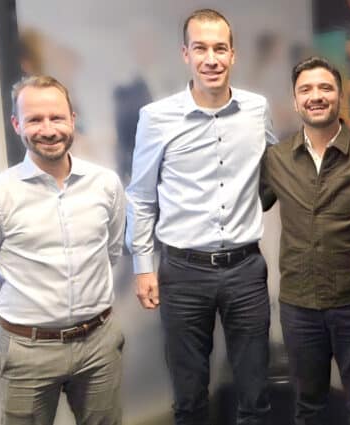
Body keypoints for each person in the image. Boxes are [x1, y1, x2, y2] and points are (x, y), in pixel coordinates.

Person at [125, 9, 276, 425]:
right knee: (189, 396)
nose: (211, 59)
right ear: (185, 54)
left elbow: (276, 168)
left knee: (255, 392)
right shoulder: (156, 118)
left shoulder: (256, 109)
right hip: (183, 272)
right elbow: (141, 197)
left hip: (246, 269)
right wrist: (142, 266)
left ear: (233, 55)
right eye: (201, 48)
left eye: (220, 48)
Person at [0, 75, 126, 425]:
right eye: (35, 119)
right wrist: (27, 305)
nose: (48, 130)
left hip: (99, 344)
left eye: (57, 117)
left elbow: (110, 251)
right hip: (28, 350)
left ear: (72, 120)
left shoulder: (106, 185)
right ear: (17, 124)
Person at [260, 56, 350, 425]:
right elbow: (247, 205)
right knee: (308, 407)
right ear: (295, 100)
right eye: (306, 89)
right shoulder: (276, 159)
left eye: (325, 88)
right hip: (299, 305)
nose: (315, 96)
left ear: (339, 96)